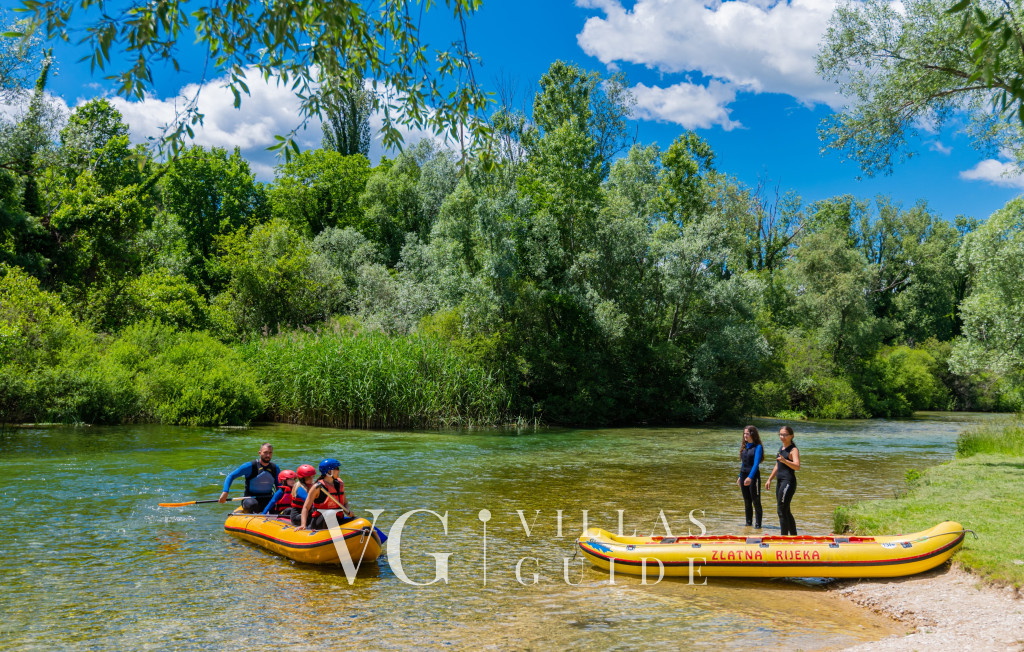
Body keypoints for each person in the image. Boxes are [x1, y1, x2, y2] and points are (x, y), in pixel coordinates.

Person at [219, 443, 280, 513]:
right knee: (252, 504)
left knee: (280, 505)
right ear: (259, 453)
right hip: (250, 499)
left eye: (270, 453)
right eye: (265, 452)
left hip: (267, 498)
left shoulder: (275, 468)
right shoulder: (250, 466)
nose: (268, 455)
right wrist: (225, 492)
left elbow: (279, 485)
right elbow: (231, 476)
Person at [765, 425, 800, 535]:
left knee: (781, 511)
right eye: (780, 434)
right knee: (786, 510)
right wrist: (770, 479)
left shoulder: (793, 450)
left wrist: (785, 461)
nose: (782, 437)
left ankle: (783, 537)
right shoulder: (781, 448)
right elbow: (777, 465)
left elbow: (797, 466)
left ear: (791, 436)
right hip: (780, 482)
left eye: (785, 435)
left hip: (788, 482)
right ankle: (794, 536)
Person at [298, 458, 352, 531]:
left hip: (338, 519)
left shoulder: (339, 484)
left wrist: (348, 511)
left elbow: (345, 502)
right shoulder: (317, 487)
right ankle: (337, 539)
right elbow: (306, 508)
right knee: (330, 513)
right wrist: (303, 524)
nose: (339, 470)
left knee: (361, 522)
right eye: (337, 468)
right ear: (329, 472)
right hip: (321, 521)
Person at [737, 425, 763, 528]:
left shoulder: (758, 447)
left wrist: (750, 477)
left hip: (753, 477)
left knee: (755, 501)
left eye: (747, 433)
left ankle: (758, 525)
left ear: (752, 434)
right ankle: (748, 524)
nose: (745, 436)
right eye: (744, 433)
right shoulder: (744, 446)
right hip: (744, 475)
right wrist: (740, 476)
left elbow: (756, 464)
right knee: (747, 501)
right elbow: (744, 463)